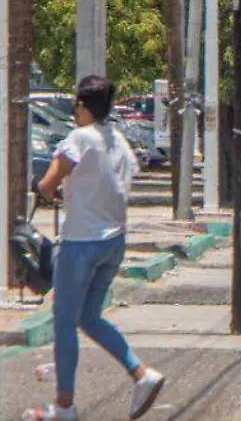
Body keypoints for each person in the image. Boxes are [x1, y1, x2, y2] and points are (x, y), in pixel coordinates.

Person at [28, 76, 165, 421]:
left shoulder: (80, 138)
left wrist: (44, 189)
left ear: (84, 107)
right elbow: (125, 175)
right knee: (89, 317)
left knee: (63, 323)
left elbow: (47, 184)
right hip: (113, 242)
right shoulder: (117, 139)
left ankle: (64, 405)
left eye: (76, 106)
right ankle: (141, 373)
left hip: (82, 244)